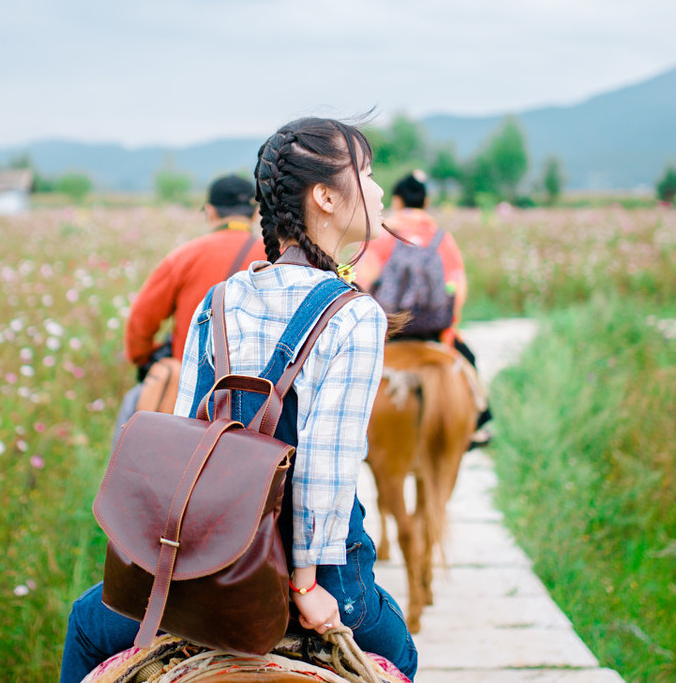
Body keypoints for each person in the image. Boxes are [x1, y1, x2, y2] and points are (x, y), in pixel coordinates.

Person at [61, 118, 419, 682]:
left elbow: (182, 439)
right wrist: (304, 585)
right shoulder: (354, 315)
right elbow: (327, 467)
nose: (377, 190)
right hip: (318, 566)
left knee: (86, 627)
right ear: (325, 197)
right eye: (367, 175)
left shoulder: (220, 298)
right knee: (399, 654)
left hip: (206, 553)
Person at [113, 174, 266, 428]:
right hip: (257, 397)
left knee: (132, 417)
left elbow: (141, 321)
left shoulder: (185, 256)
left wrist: (145, 357)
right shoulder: (274, 256)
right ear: (255, 213)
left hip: (191, 393)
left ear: (209, 211)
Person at [355, 170, 493, 449]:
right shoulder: (442, 238)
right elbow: (457, 286)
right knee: (470, 362)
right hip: (432, 331)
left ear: (396, 200)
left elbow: (361, 282)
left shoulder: (382, 235)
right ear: (426, 201)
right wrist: (449, 327)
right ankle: (480, 423)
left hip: (389, 331)